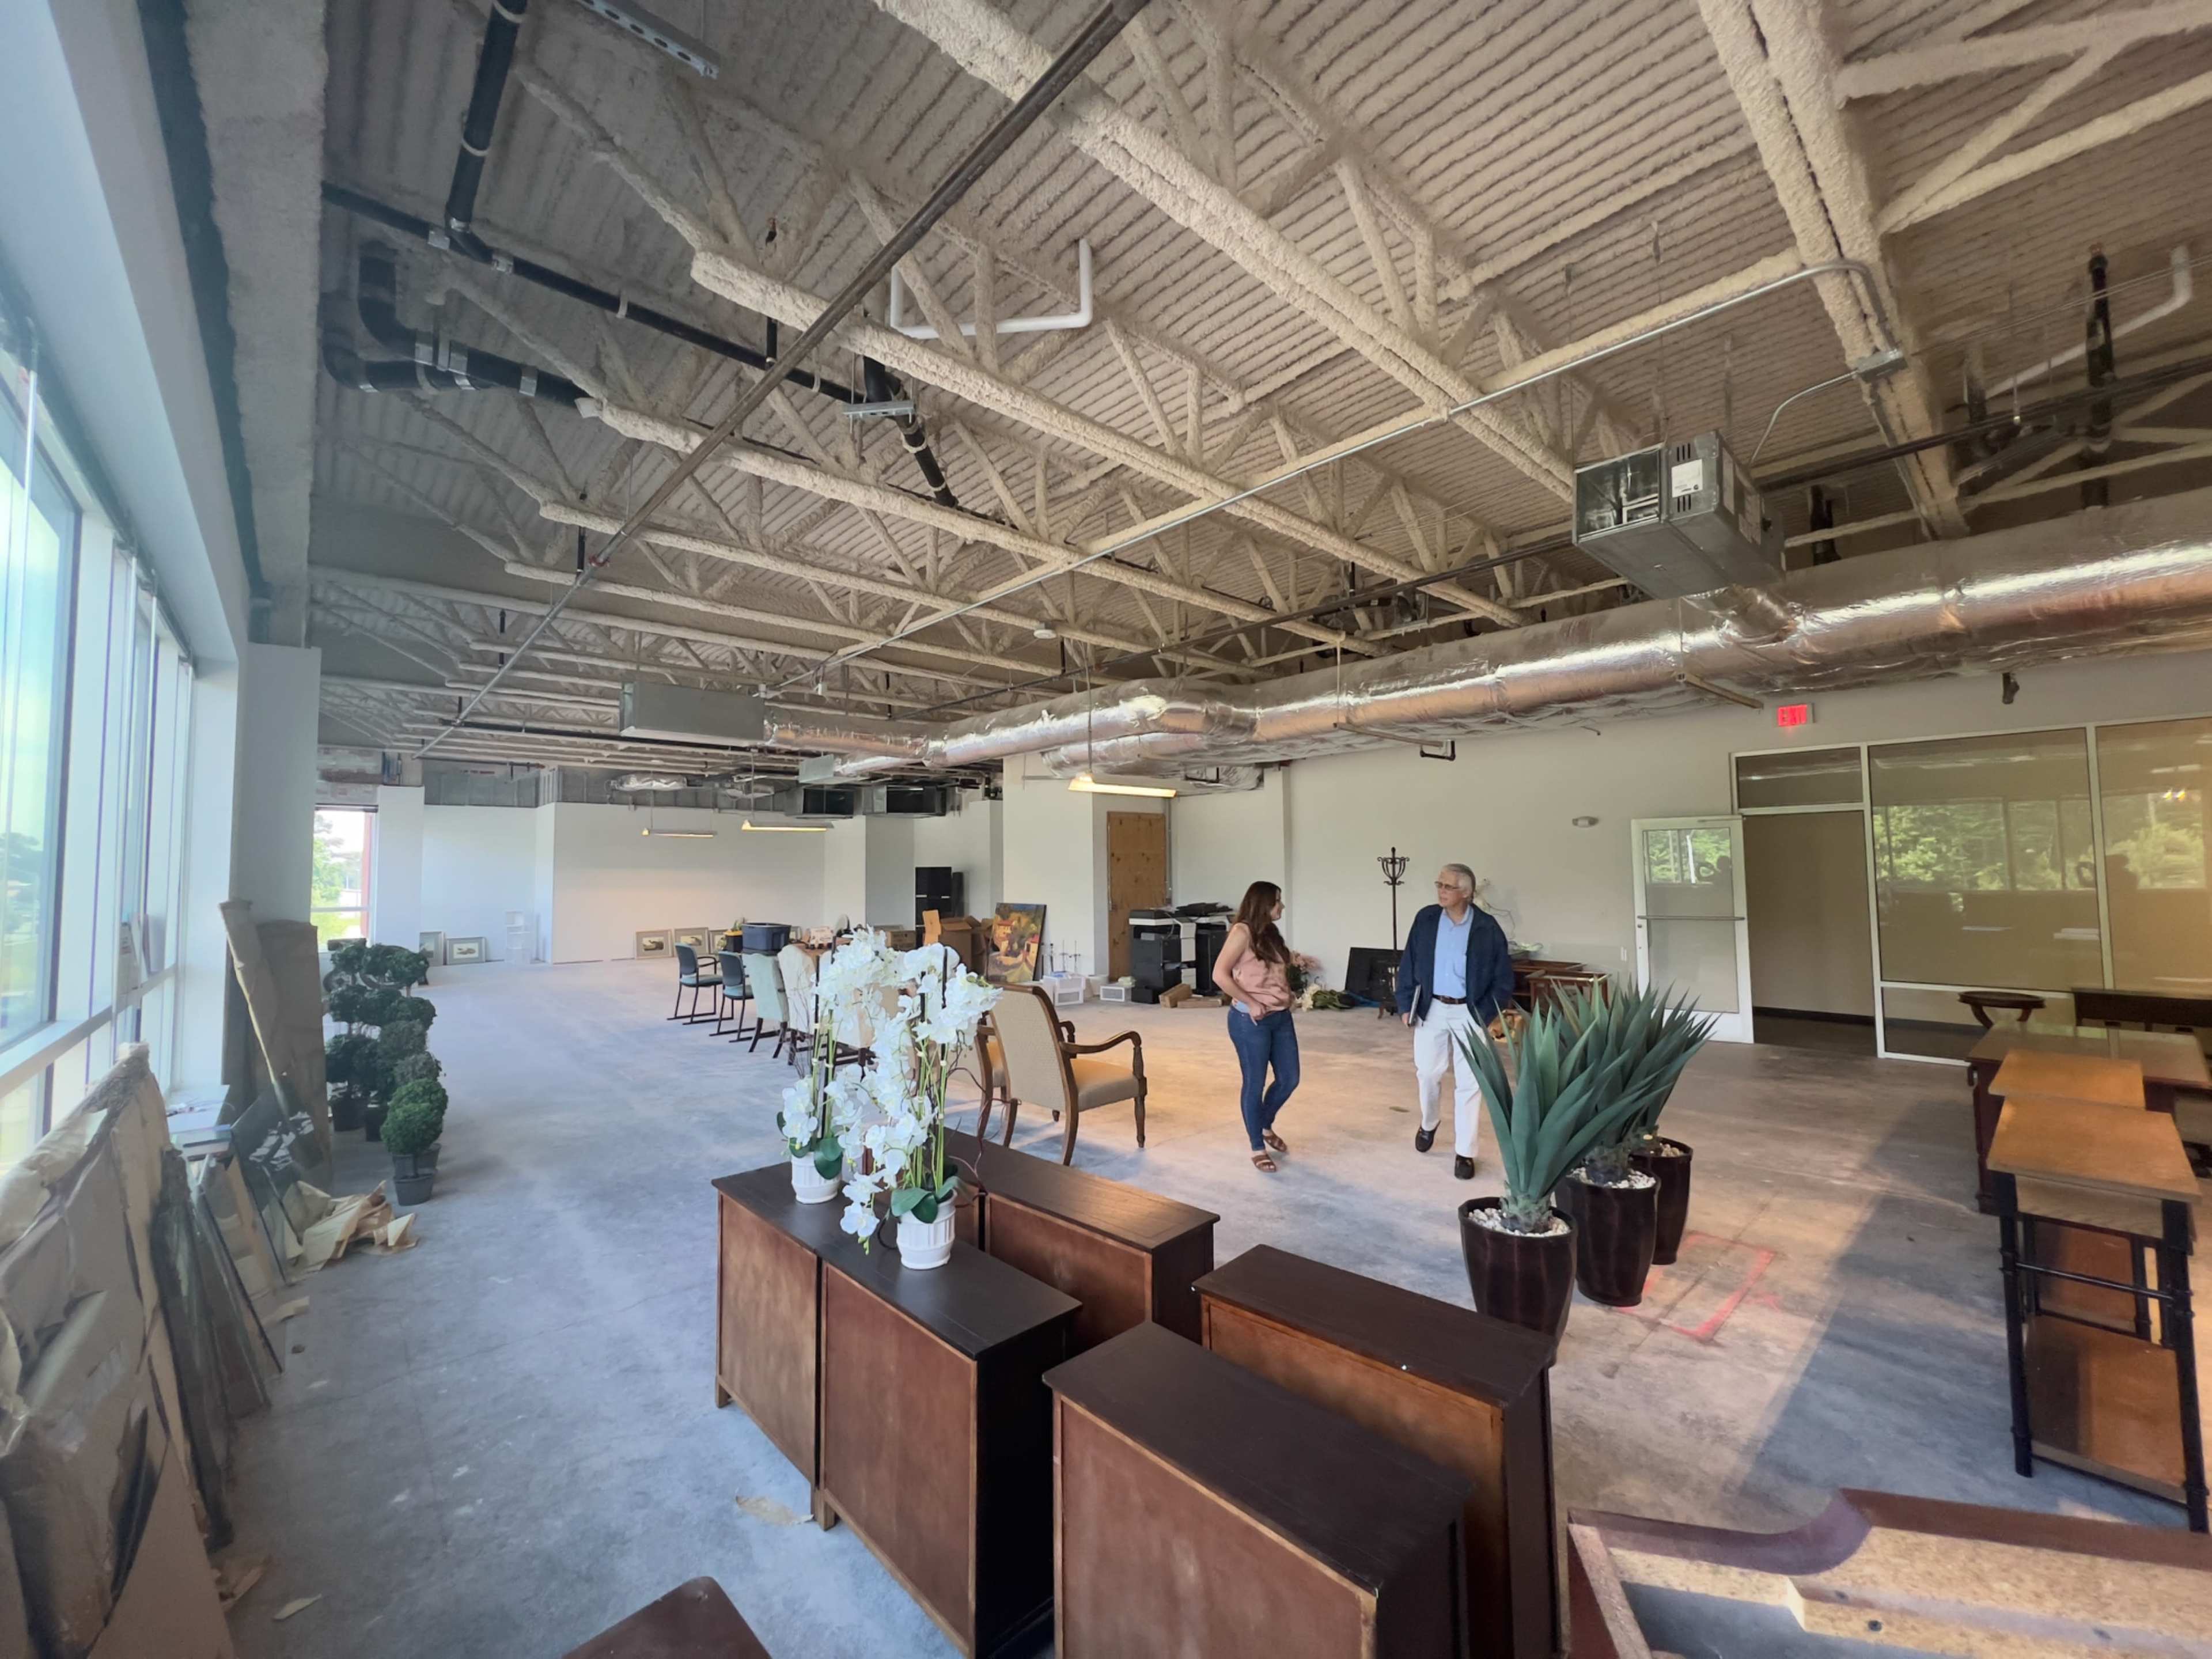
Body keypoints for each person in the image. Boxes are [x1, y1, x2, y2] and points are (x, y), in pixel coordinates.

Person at [1396, 863, 1516, 1179]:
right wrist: (1406, 1003)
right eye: (1439, 884)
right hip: (1431, 1008)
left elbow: (1503, 977)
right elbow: (1408, 962)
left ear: (1467, 892)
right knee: (1428, 1073)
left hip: (1470, 1011)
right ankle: (1429, 1122)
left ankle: (1465, 1151)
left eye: (1448, 886)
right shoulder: (1426, 919)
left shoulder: (1487, 928)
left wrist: (1487, 1013)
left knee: (1471, 1083)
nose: (1441, 890)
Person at [1214, 880, 1299, 1173]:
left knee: (1290, 1078)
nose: (1282, 906)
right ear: (1263, 903)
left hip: (1280, 1017)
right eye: (1277, 901)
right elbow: (1220, 975)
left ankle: (1263, 1123)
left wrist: (1296, 964)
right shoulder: (1242, 932)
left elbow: (1274, 964)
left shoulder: (1270, 933)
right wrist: (1250, 1002)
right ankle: (1257, 1146)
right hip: (1251, 1021)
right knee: (1255, 1082)